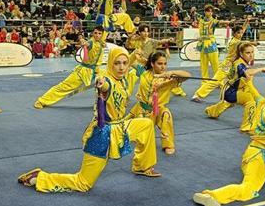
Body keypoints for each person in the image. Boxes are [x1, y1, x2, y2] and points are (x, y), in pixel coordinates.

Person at [18, 47, 161, 193]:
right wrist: (100, 83)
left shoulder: (124, 80)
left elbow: (131, 66)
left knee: (146, 124)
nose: (122, 67)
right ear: (110, 64)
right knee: (83, 183)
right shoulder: (108, 81)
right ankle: (40, 177)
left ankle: (142, 166)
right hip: (102, 134)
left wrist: (132, 56)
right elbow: (104, 83)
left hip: (120, 127)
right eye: (117, 63)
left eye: (125, 63)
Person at [129, 52, 190, 155]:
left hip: (158, 110)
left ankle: (168, 144)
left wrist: (173, 72)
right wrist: (135, 54)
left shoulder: (170, 79)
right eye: (160, 63)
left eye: (165, 64)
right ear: (152, 64)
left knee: (166, 114)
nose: (163, 67)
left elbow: (187, 76)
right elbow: (130, 62)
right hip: (142, 110)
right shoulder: (143, 72)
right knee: (136, 138)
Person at [34, 26, 107, 108]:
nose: (97, 35)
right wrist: (83, 42)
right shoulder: (91, 42)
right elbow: (86, 43)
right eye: (95, 33)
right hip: (84, 71)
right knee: (64, 86)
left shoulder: (101, 43)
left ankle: (104, 103)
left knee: (107, 83)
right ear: (93, 33)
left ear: (102, 34)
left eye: (99, 33)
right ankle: (42, 101)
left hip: (96, 71)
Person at [204, 42, 265, 132]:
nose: (251, 55)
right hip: (231, 91)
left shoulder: (242, 62)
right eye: (248, 53)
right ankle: (247, 127)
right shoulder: (239, 64)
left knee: (228, 103)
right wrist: (261, 69)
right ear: (241, 54)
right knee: (250, 101)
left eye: (252, 52)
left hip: (235, 89)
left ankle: (212, 111)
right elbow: (247, 73)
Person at [192, 23, 248, 102]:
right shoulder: (234, 42)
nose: (241, 35)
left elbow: (243, 29)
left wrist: (246, 22)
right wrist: (253, 43)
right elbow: (244, 43)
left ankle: (238, 96)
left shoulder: (238, 39)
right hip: (227, 65)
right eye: (239, 33)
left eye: (242, 33)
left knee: (240, 79)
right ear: (234, 34)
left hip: (234, 65)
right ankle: (197, 95)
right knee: (216, 81)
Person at [196, 4, 229, 82]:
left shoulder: (214, 21)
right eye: (208, 11)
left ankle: (219, 80)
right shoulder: (201, 20)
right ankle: (205, 80)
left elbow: (221, 22)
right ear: (205, 12)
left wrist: (229, 22)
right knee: (203, 64)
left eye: (211, 11)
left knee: (215, 63)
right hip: (202, 44)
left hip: (211, 43)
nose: (210, 13)